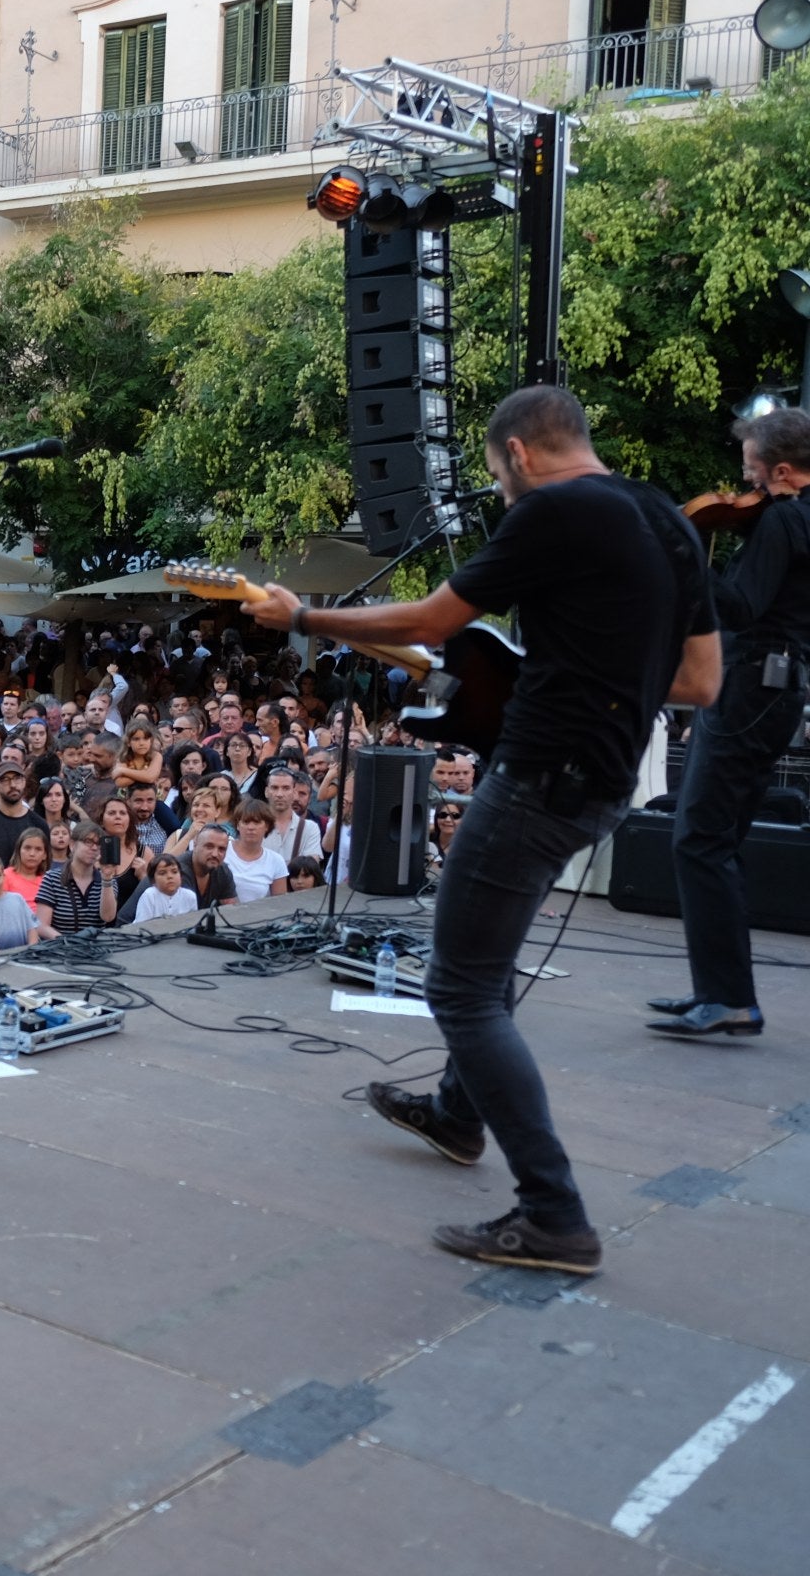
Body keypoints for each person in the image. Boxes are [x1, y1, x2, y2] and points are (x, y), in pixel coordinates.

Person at [245, 384, 720, 1276]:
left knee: (460, 988)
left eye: (499, 473)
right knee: (487, 958)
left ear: (520, 456)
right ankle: (460, 1116)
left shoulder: (552, 511)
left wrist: (301, 618)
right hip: (606, 780)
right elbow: (702, 682)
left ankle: (554, 1215)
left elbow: (430, 620)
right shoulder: (668, 521)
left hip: (542, 775)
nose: (503, 489)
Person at [657, 406, 810, 1037]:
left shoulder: (780, 519)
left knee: (700, 836)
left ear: (779, 469)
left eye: (749, 471)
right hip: (775, 687)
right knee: (713, 836)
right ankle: (719, 991)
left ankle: (729, 998)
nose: (741, 485)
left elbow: (743, 607)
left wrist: (689, 558)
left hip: (753, 683)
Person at [34, 822, 119, 938]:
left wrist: (107, 878)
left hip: (95, 949)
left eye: (99, 844)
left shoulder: (108, 881)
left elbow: (108, 917)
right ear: (72, 845)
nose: (94, 847)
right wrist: (67, 943)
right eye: (88, 842)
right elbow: (41, 926)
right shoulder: (52, 879)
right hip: (59, 948)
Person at [131, 853, 199, 922]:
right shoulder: (149, 896)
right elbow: (141, 926)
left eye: (174, 872)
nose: (170, 876)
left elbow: (192, 926)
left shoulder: (190, 896)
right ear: (153, 880)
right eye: (162, 873)